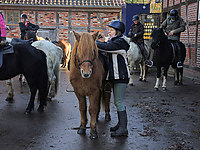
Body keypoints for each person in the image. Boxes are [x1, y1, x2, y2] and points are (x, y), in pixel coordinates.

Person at [96, 20, 130, 137]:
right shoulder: (115, 40)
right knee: (117, 101)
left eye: (111, 30)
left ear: (117, 31)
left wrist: (91, 42)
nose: (109, 32)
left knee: (119, 102)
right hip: (116, 77)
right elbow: (106, 43)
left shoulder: (119, 42)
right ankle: (120, 124)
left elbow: (106, 47)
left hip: (121, 77)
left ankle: (123, 129)